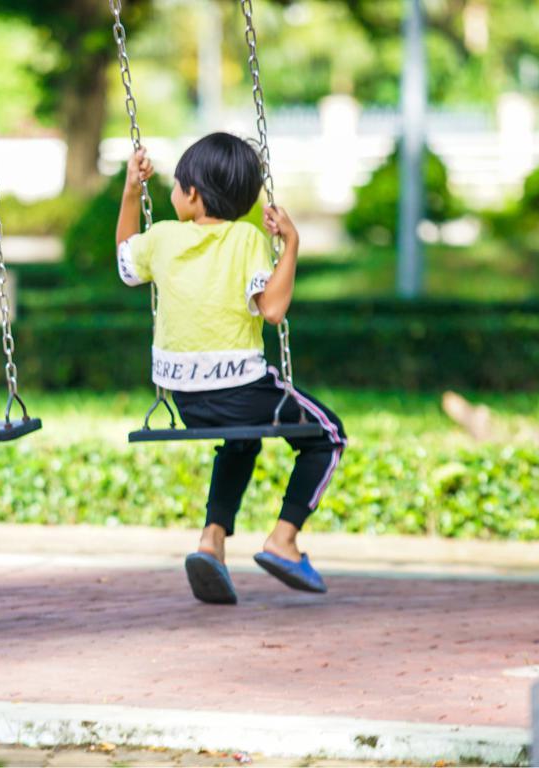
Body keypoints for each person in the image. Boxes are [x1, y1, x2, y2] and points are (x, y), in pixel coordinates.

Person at [115, 133, 346, 603]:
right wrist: (292, 243)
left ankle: (212, 540)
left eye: (176, 186)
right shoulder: (246, 239)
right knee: (329, 435)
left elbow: (125, 261)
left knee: (241, 439)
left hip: (185, 400)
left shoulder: (160, 237)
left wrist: (130, 191)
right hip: (241, 389)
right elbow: (274, 309)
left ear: (193, 194)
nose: (172, 194)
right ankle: (283, 539)